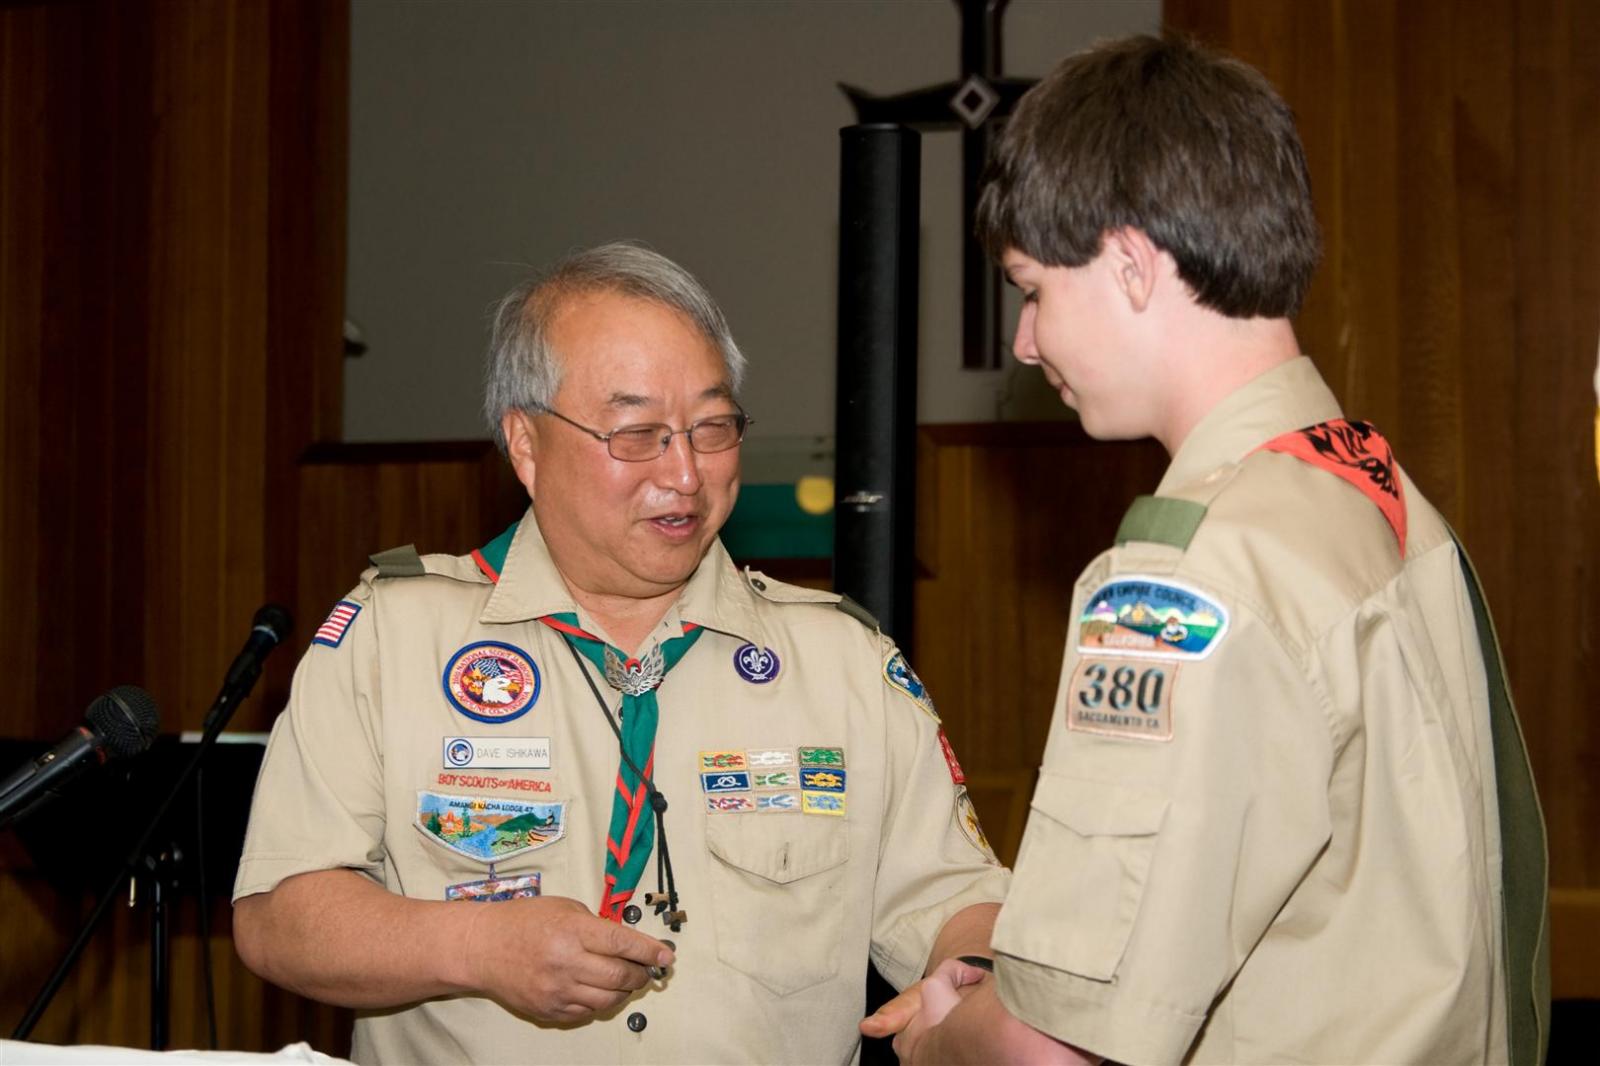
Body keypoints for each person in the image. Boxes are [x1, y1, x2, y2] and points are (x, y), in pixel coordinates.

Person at [871, 33, 1549, 1066]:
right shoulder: (1383, 499)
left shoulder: (1185, 576)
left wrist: (936, 1038)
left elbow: (1056, 1045)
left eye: (1032, 288)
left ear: (1130, 263)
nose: (1024, 341)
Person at [232, 242, 1008, 1064]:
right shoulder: (393, 638)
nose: (686, 474)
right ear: (526, 444)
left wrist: (976, 976)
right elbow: (279, 915)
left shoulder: (843, 663)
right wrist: (477, 946)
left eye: (712, 428)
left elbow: (958, 902)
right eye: (639, 434)